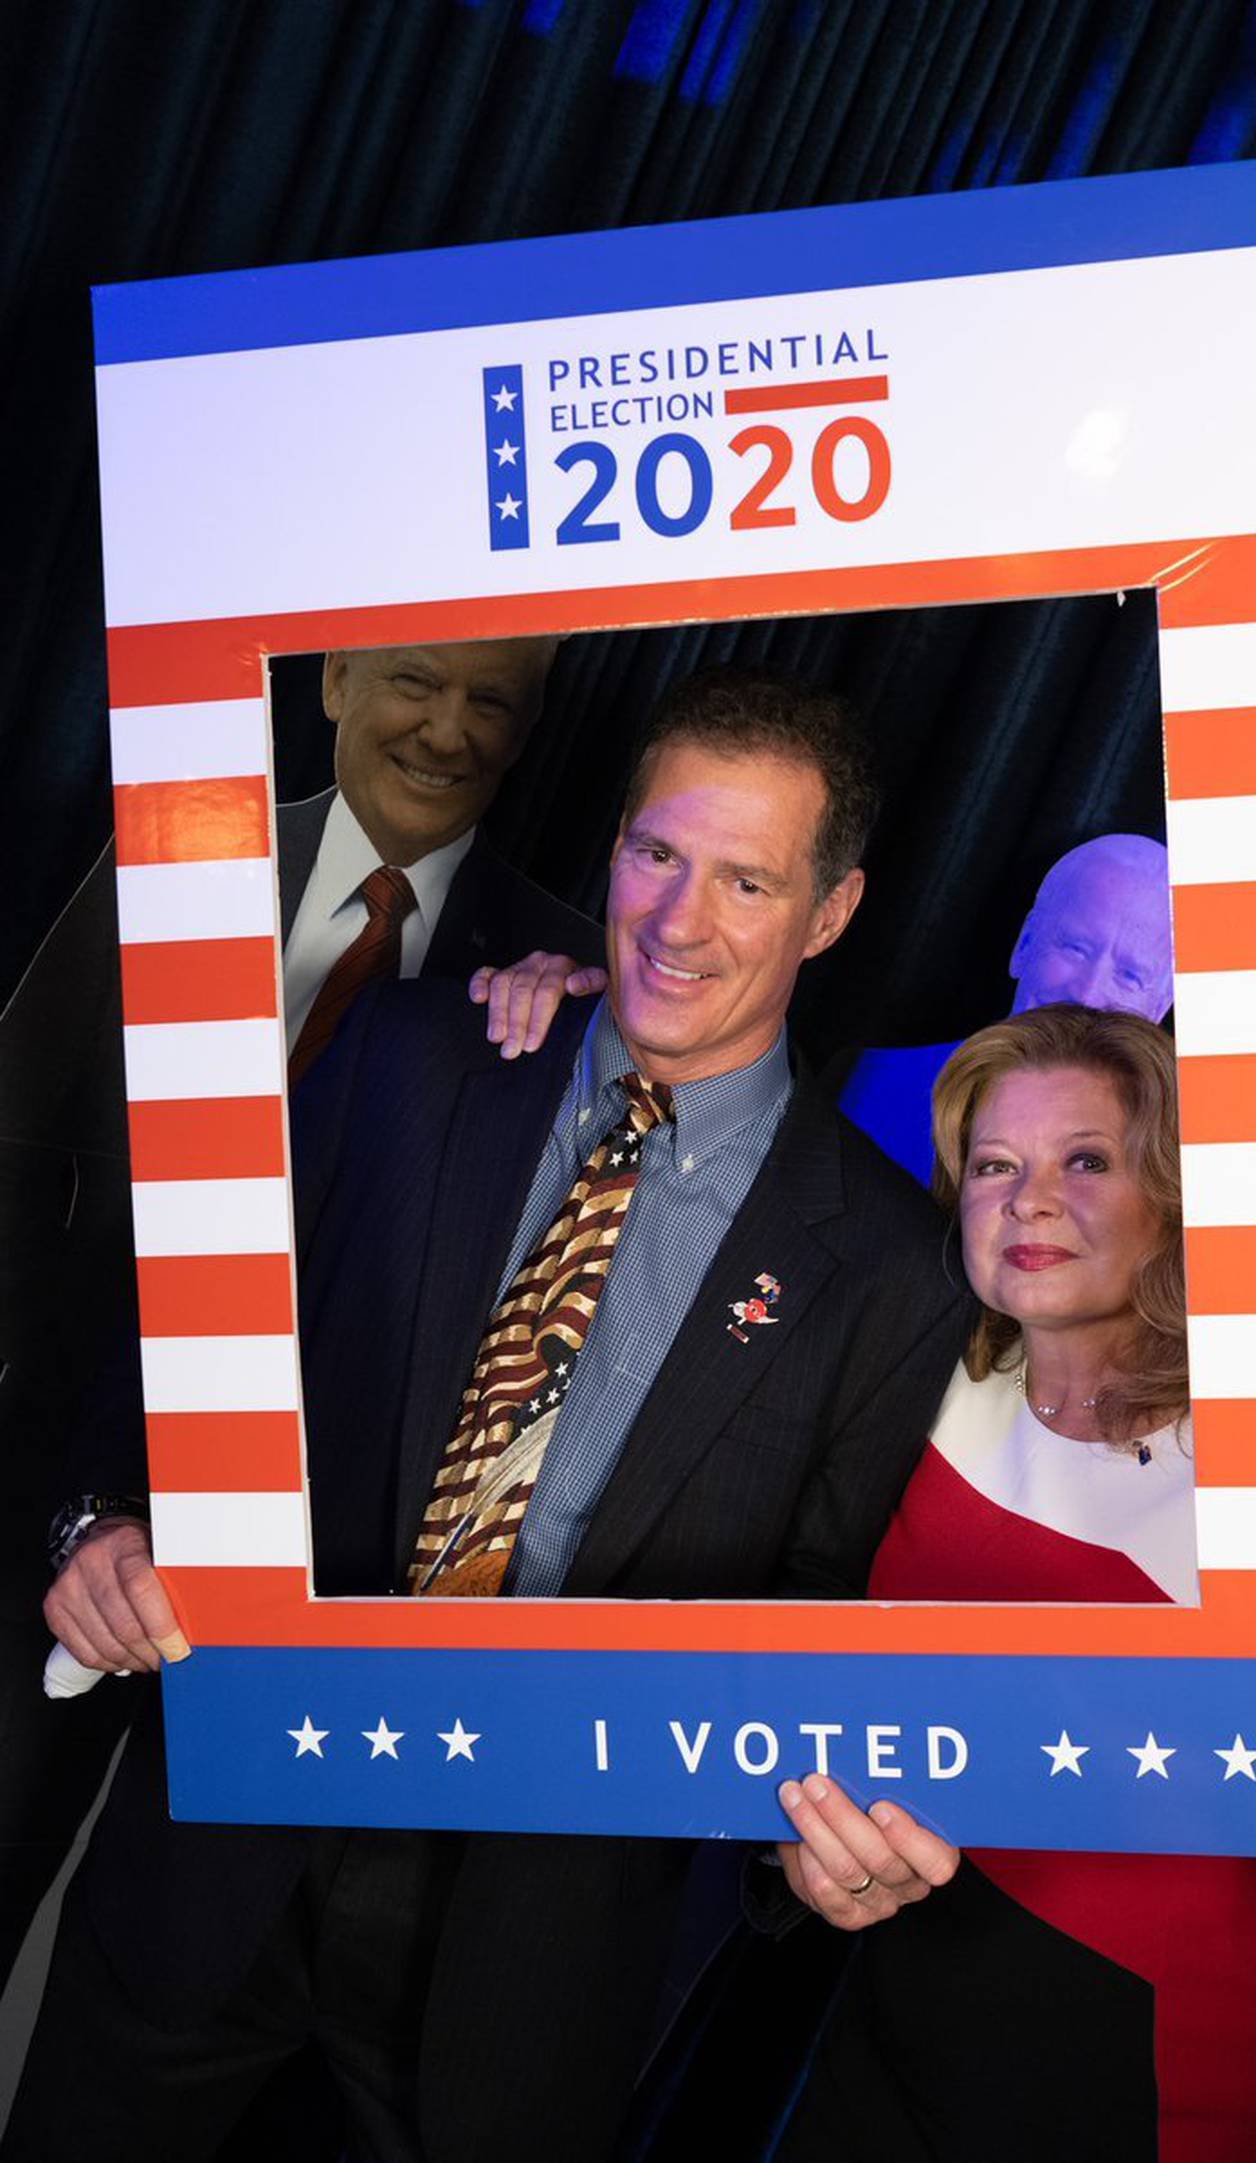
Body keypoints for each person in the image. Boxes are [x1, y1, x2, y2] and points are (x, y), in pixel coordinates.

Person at [12, 668, 967, 2163]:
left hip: (520, 1964)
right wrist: (99, 1516)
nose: (678, 921)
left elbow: (820, 1623)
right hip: (219, 1855)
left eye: (747, 880)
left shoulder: (891, 1272)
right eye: (658, 852)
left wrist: (816, 1843)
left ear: (830, 912)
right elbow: (181, 1332)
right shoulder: (407, 1054)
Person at [0, 633, 599, 1984]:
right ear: (332, 683)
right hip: (56, 1494)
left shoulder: (565, 971)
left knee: (163, 1999)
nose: (448, 730)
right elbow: (20, 1138)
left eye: (491, 701)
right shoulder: (179, 866)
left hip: (321, 1586)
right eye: (416, 683)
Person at [765, 1005, 1256, 2163]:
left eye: (1086, 1160)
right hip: (884, 2024)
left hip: (1147, 2073)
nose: (1029, 1201)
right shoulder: (914, 1388)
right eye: (994, 1165)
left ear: (1173, 1195)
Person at [839, 831, 1172, 1184]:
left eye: (1129, 976)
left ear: (1159, 1008)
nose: (1087, 993)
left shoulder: (1182, 1172)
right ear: (1024, 945)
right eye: (1075, 948)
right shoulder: (865, 1086)